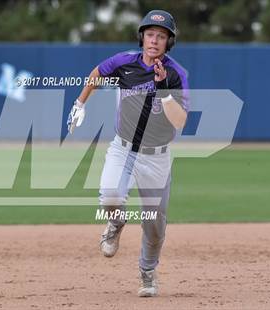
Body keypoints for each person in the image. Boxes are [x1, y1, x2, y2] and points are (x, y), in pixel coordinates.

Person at [67, 9, 189, 297]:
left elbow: (180, 121)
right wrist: (80, 103)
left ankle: (147, 272)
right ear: (142, 37)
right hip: (123, 148)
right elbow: (97, 73)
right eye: (150, 35)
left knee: (155, 224)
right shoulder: (125, 63)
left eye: (161, 36)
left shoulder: (175, 74)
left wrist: (164, 90)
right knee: (110, 195)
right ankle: (117, 221)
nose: (154, 40)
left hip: (156, 156)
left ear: (168, 42)